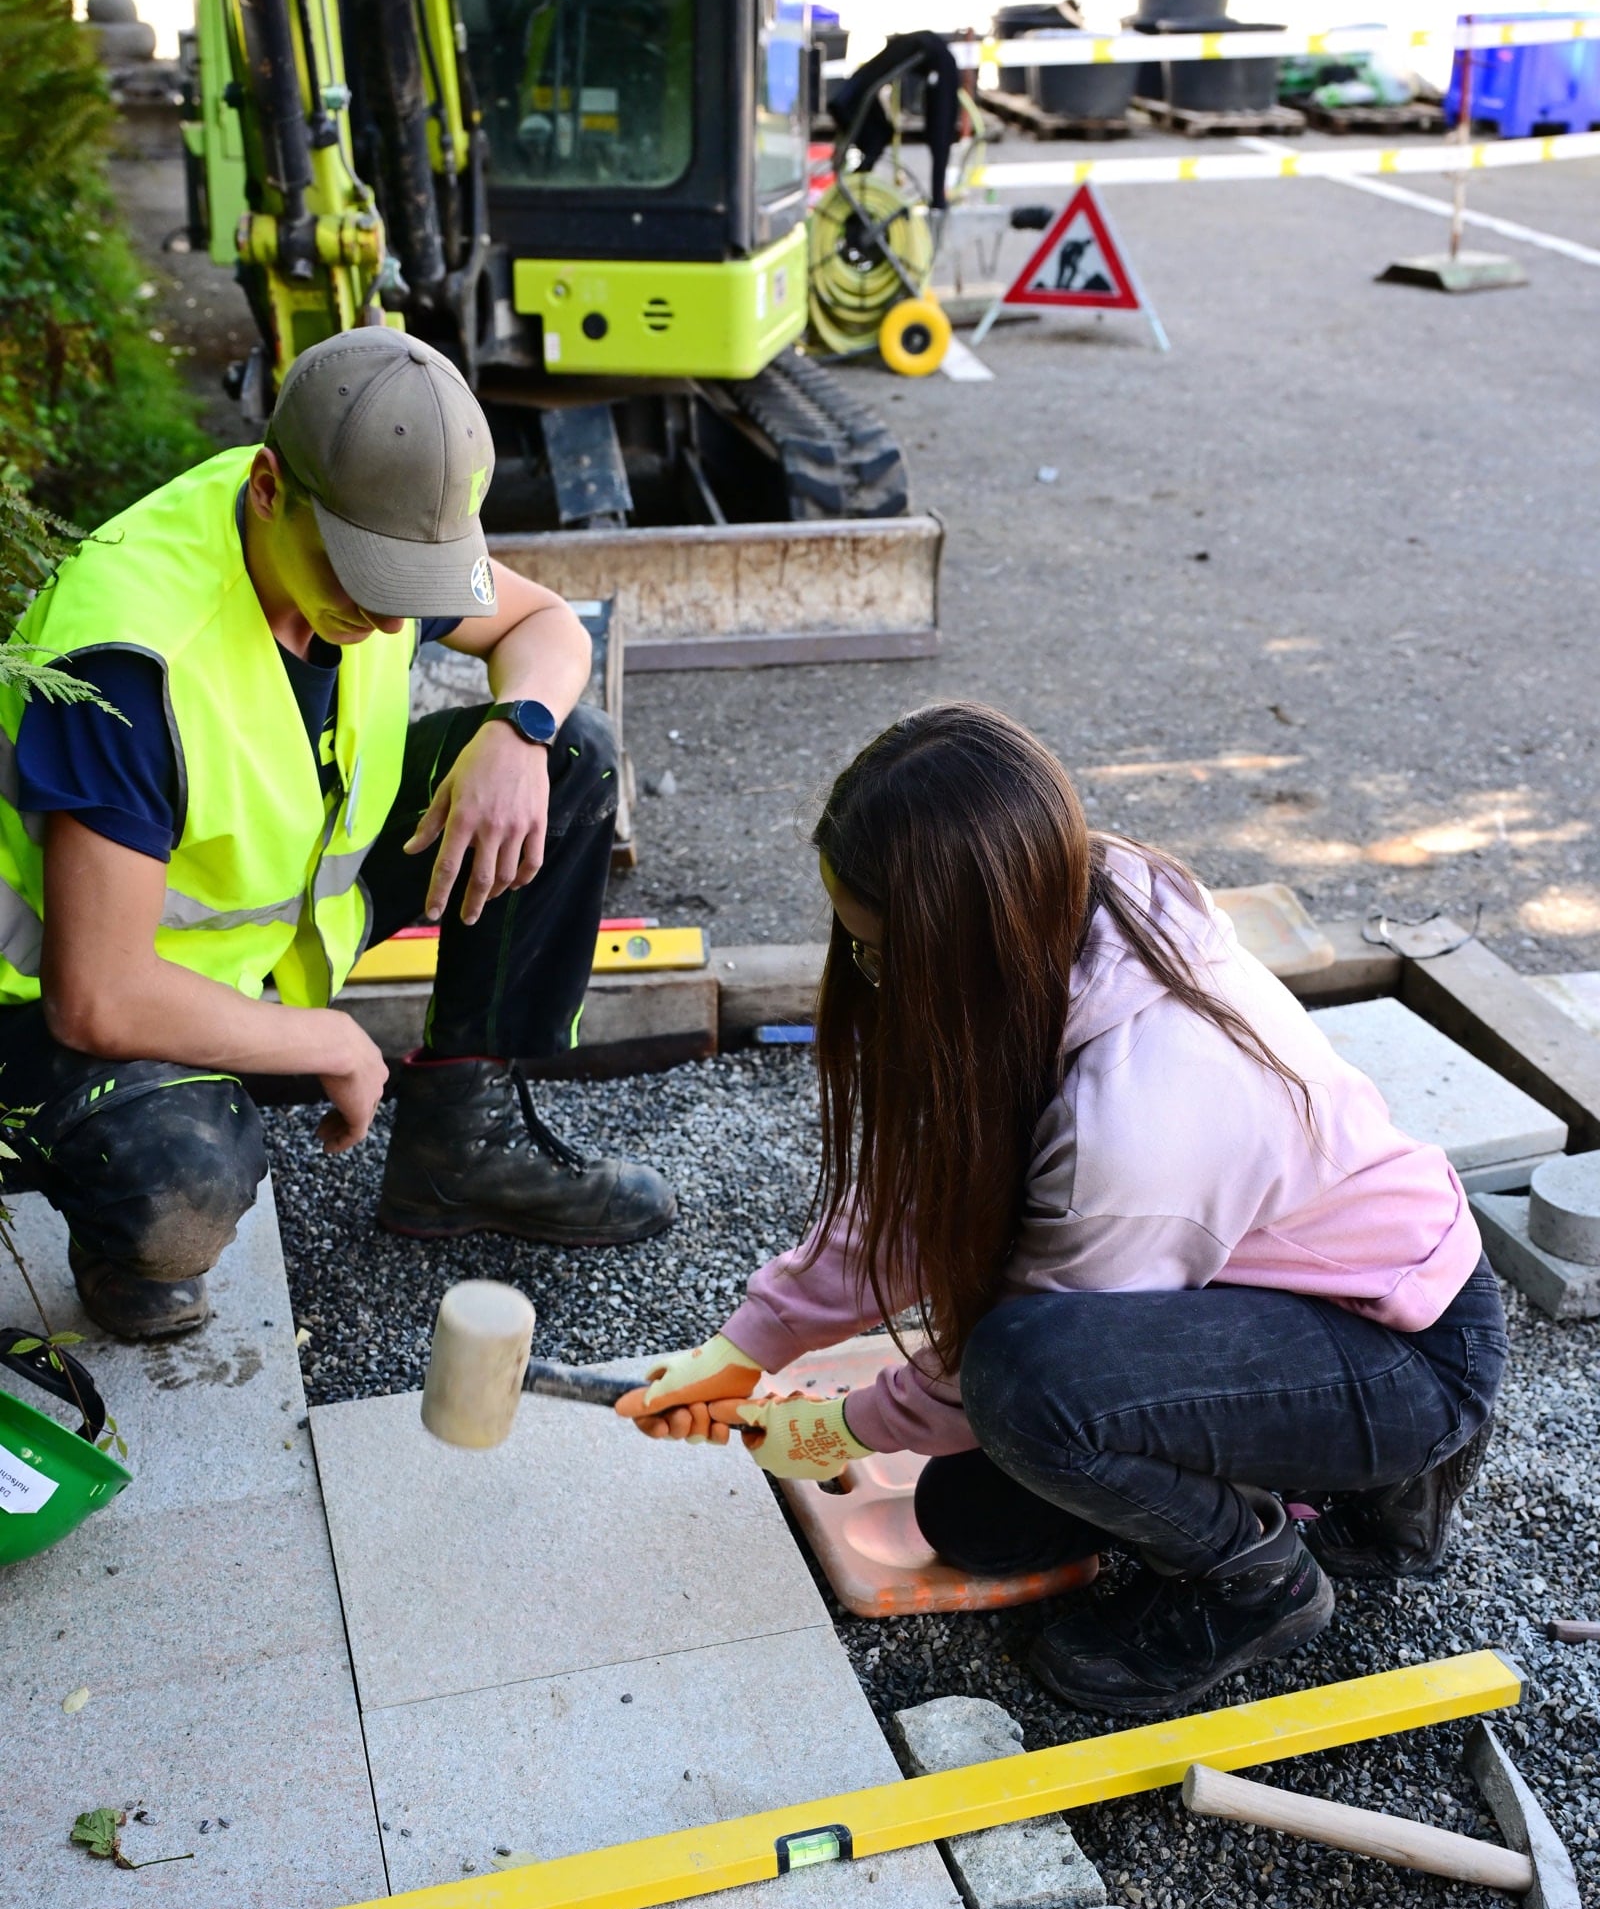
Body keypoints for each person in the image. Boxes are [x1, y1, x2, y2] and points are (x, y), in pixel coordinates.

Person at [616, 703, 1506, 1718]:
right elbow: (919, 1190)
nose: (862, 974)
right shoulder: (1074, 903)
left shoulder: (1133, 1120)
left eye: (875, 952)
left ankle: (1258, 1577)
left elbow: (1036, 1359)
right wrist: (746, 1345)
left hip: (1400, 1355)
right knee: (979, 1520)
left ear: (958, 945)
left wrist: (842, 1428)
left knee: (1019, 1387)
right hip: (1319, 1290)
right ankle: (1368, 1495)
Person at [0, 329, 674, 1341]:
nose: (382, 615)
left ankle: (461, 1145)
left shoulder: (376, 521)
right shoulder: (131, 659)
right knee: (179, 1188)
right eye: (356, 573)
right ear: (268, 487)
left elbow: (548, 630)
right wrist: (322, 1038)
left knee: (570, 758)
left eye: (406, 585)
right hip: (59, 1007)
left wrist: (519, 730)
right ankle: (117, 1231)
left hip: (274, 937)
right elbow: (96, 993)